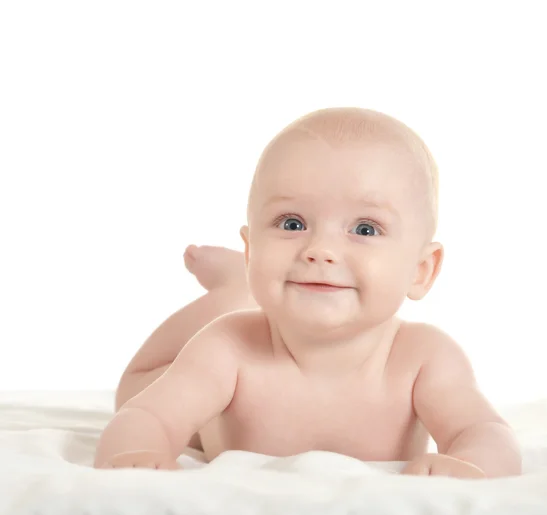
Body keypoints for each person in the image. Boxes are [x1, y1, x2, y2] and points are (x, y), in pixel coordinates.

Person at [94, 107, 522, 478]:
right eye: (292, 224)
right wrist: (137, 452)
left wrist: (473, 464)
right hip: (183, 358)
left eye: (365, 229)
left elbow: (484, 432)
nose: (320, 250)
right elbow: (145, 415)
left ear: (421, 270)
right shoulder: (227, 347)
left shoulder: (425, 359)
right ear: (252, 252)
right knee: (132, 390)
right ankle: (232, 287)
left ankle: (235, 287)